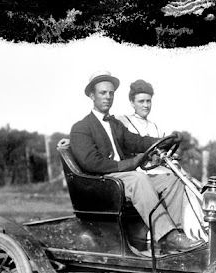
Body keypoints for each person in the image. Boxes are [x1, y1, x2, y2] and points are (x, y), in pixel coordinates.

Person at [69, 70, 204, 253]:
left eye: (111, 93)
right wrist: (129, 164)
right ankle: (167, 235)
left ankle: (172, 235)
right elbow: (91, 164)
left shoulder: (115, 124)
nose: (108, 97)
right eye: (103, 93)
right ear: (92, 96)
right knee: (139, 178)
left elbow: (137, 141)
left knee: (172, 180)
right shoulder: (81, 128)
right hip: (103, 183)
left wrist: (165, 141)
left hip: (122, 179)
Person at [117, 79, 207, 242]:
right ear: (132, 102)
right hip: (136, 172)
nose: (145, 105)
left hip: (156, 170)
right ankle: (184, 233)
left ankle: (189, 230)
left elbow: (159, 150)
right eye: (141, 101)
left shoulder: (155, 126)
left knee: (186, 181)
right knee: (179, 182)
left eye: (148, 101)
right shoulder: (122, 121)